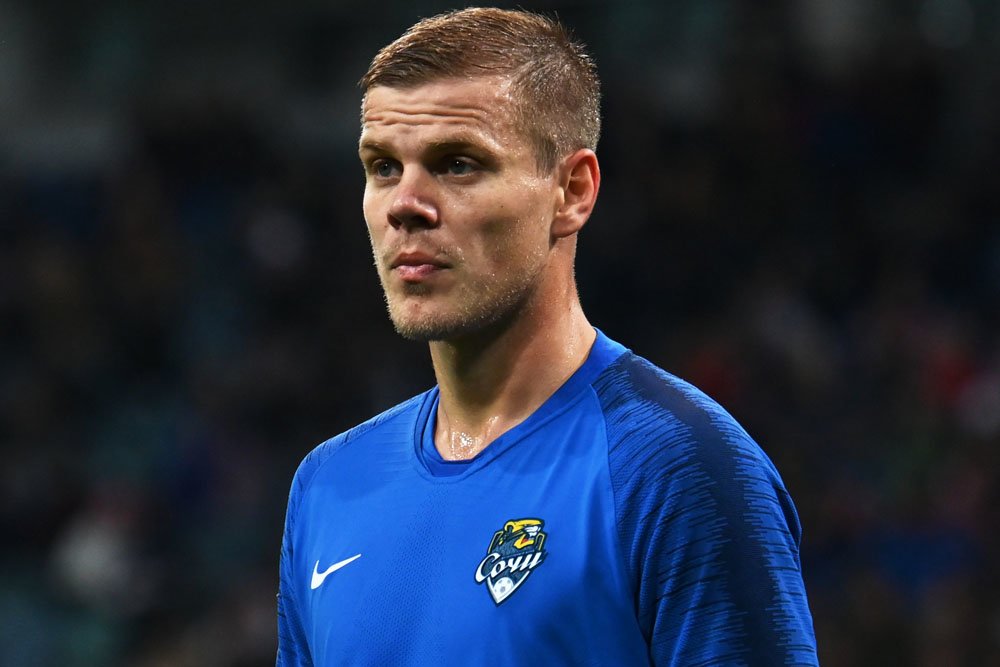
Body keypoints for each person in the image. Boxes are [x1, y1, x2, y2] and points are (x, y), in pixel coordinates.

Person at [276, 7, 818, 666]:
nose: (404, 204)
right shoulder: (329, 484)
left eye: (458, 163)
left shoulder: (675, 468)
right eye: (383, 166)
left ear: (572, 191)